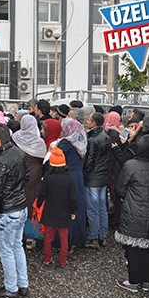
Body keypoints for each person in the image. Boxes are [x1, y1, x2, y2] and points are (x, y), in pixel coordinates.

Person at [114, 135, 149, 293]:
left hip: (133, 212)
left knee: (134, 248)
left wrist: (128, 199)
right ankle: (148, 281)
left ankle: (134, 281)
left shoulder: (130, 165)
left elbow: (120, 188)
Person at [0, 124, 30, 298]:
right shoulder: (19, 152)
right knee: (17, 245)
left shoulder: (1, 162)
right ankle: (23, 284)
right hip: (21, 207)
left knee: (6, 250)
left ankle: (11, 287)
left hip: (8, 211)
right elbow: (27, 176)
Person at [36, 147, 77, 268]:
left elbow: (42, 193)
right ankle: (62, 261)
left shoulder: (48, 177)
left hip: (49, 212)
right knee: (64, 239)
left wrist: (38, 205)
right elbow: (73, 198)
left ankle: (47, 259)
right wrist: (73, 211)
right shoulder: (69, 178)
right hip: (64, 213)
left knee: (48, 238)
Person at [12, 115, 47, 235]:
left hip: (18, 171)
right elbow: (42, 159)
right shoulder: (39, 142)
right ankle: (33, 231)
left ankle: (19, 232)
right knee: (33, 199)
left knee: (19, 200)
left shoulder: (15, 138)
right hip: (35, 173)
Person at [57, 118, 87, 252]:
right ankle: (77, 239)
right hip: (78, 177)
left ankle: (64, 242)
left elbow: (56, 157)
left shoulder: (65, 143)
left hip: (66, 177)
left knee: (65, 208)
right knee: (77, 207)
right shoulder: (82, 141)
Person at [83, 112, 111, 249]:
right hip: (103, 176)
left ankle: (93, 237)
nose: (86, 122)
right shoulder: (106, 137)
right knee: (102, 208)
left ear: (94, 123)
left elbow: (90, 161)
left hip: (93, 178)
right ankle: (103, 235)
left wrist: (84, 174)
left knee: (92, 209)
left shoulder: (92, 140)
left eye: (89, 120)